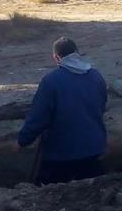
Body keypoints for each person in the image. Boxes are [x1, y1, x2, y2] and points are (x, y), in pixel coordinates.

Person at [18, 37, 107, 185]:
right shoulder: (96, 76)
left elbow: (38, 118)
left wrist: (22, 141)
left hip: (61, 155)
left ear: (56, 57)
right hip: (94, 148)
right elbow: (101, 106)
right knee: (93, 193)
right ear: (77, 53)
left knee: (46, 193)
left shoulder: (51, 81)